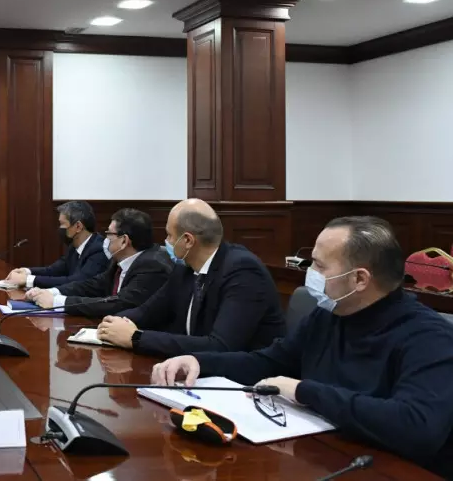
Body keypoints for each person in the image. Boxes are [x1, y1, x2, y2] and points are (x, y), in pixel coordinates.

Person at [151, 216, 453, 478]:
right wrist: (199, 362)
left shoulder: (428, 337)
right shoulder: (329, 314)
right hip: (324, 453)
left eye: (319, 265)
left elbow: (417, 427)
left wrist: (303, 391)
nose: (310, 272)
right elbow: (269, 362)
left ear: (359, 279)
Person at [96, 199, 285, 358]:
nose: (166, 242)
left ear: (187, 240)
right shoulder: (184, 269)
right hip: (193, 369)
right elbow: (148, 312)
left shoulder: (243, 271)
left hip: (243, 380)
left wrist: (135, 338)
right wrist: (113, 323)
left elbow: (221, 346)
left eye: (170, 235)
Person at [25, 208, 172, 316]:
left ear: (124, 241)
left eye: (109, 234)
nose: (105, 239)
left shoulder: (152, 266)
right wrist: (51, 292)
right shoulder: (119, 260)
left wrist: (58, 302)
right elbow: (93, 285)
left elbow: (119, 304)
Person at [5, 200, 108, 289]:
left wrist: (28, 280)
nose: (60, 228)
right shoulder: (74, 247)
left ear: (78, 226)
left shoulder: (99, 249)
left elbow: (77, 281)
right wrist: (27, 271)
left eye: (62, 224)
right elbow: (54, 270)